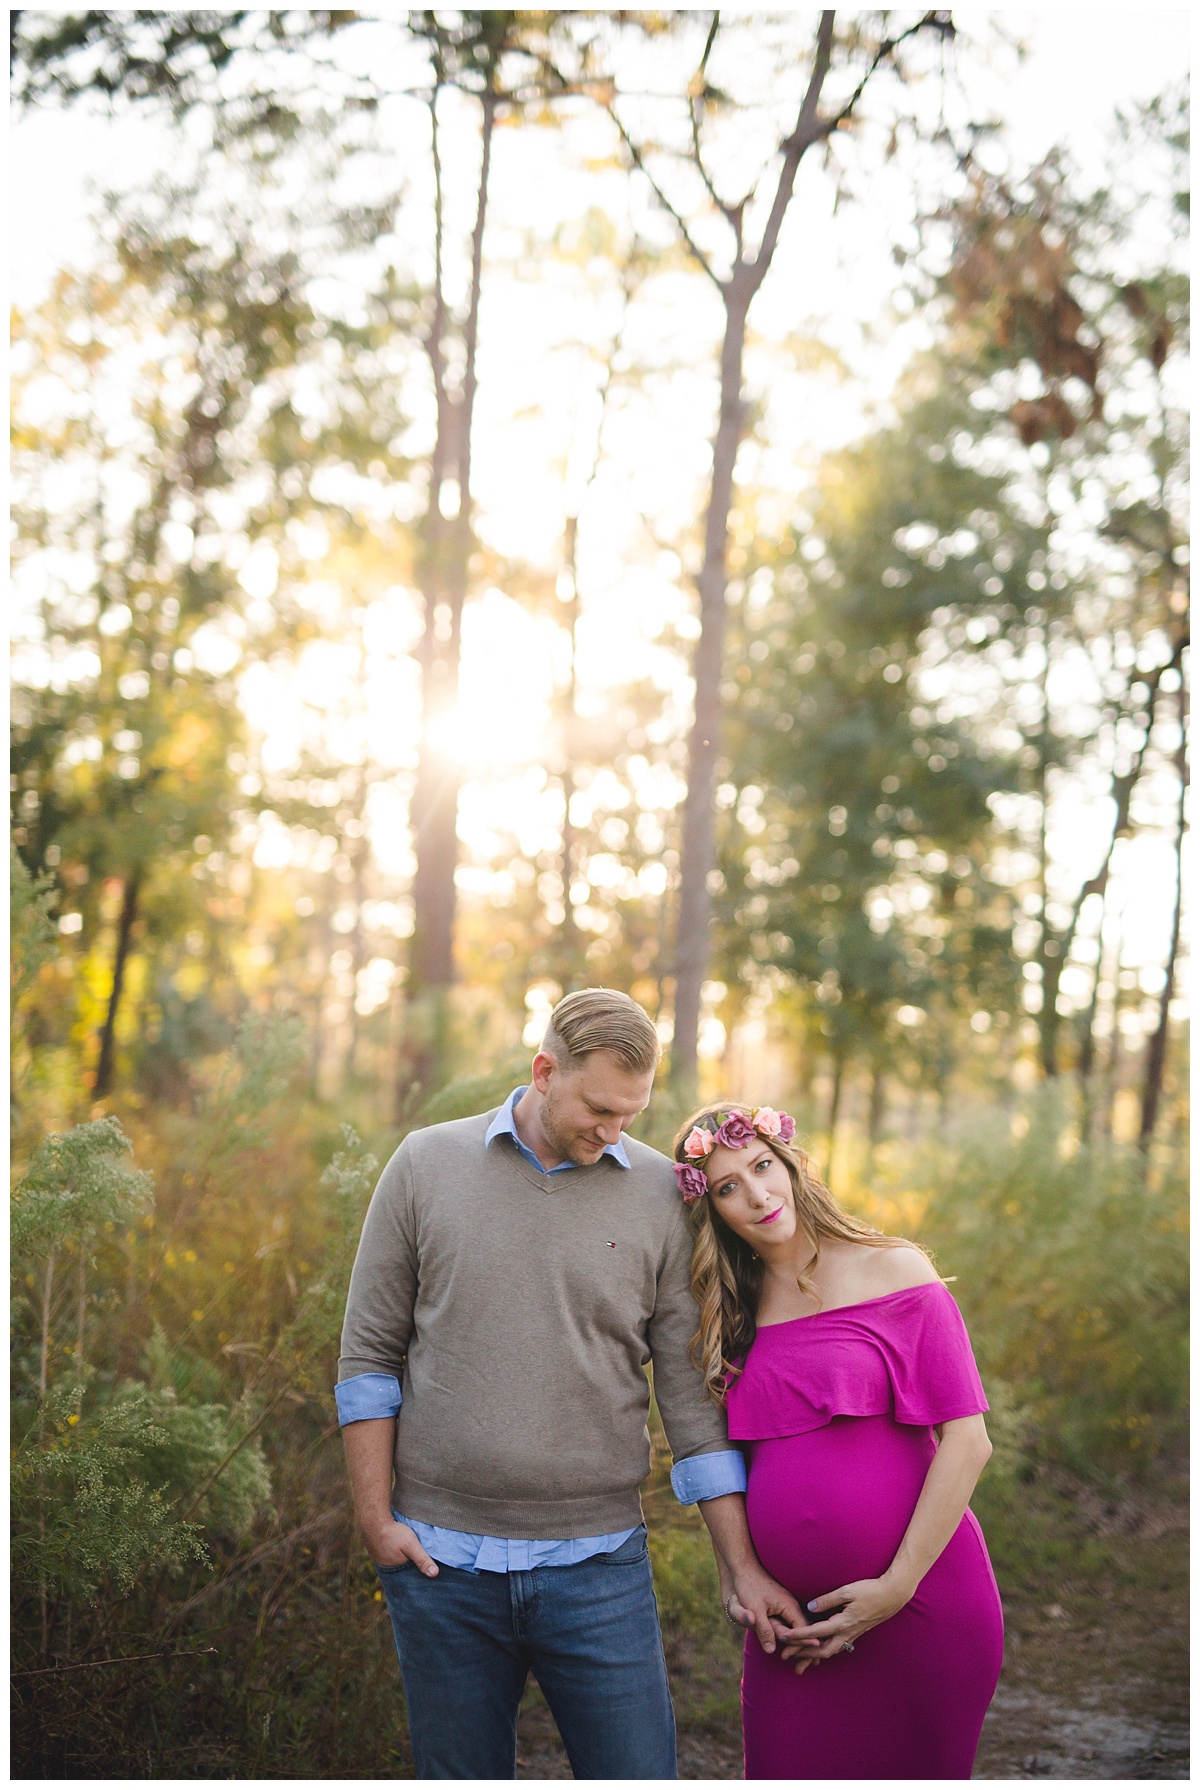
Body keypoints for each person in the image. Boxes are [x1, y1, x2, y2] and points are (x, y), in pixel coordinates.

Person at [336, 989, 803, 1780]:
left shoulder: (662, 1195)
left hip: (599, 1570)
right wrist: (376, 1520)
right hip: (440, 1568)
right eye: (598, 1107)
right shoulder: (424, 1164)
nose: (613, 1130)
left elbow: (691, 1402)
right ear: (545, 1071)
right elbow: (369, 1357)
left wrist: (741, 1564)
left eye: (631, 1112)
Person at [673, 1102, 1004, 1781]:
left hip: (922, 1605)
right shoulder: (729, 1308)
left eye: (763, 1167)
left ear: (790, 1165)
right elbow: (726, 1461)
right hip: (791, 1628)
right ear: (712, 1209)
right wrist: (739, 1574)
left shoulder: (895, 1270)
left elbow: (969, 1442)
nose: (757, 1195)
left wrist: (896, 1587)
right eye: (730, 1186)